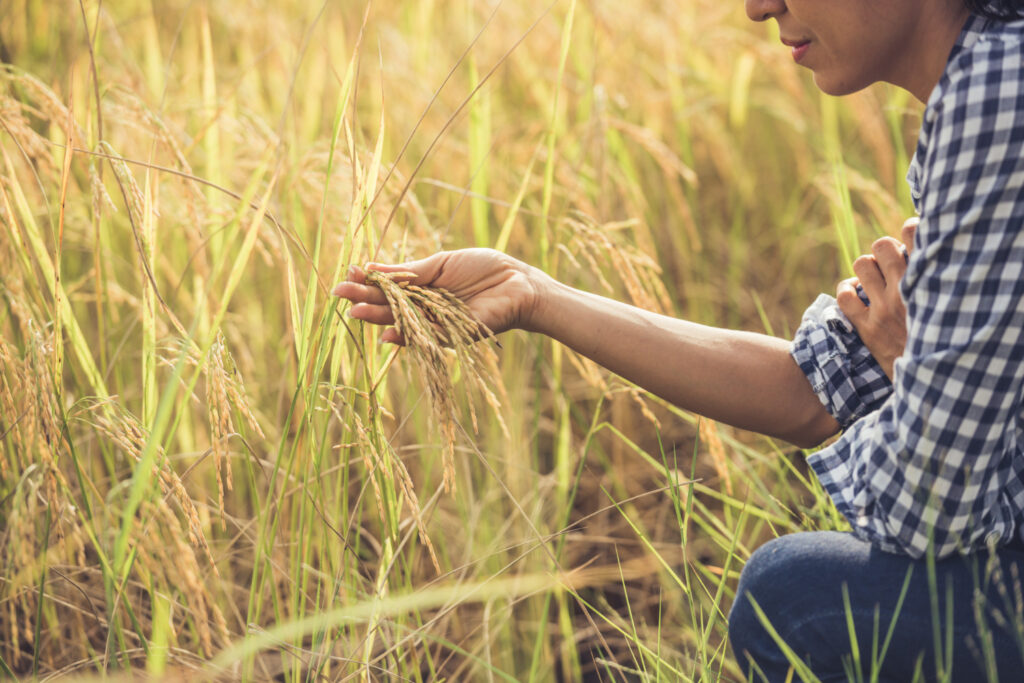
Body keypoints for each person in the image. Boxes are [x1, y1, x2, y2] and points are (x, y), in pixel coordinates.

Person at [334, 0, 1024, 679]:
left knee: (796, 598)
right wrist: (534, 293)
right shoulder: (981, 81)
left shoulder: (995, 101)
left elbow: (932, 512)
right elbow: (812, 390)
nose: (758, 8)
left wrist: (907, 364)